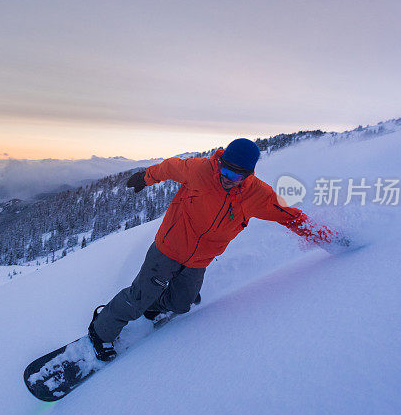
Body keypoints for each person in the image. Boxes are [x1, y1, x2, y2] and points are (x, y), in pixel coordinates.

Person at [88, 138, 349, 361]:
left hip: (199, 260)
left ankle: (155, 305)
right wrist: (146, 177)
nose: (226, 178)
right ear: (220, 161)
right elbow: (169, 167)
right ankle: (100, 333)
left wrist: (326, 238)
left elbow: (290, 216)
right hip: (168, 247)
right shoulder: (200, 170)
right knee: (137, 297)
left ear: (249, 174)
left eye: (236, 175)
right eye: (225, 170)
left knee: (182, 304)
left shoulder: (258, 195)